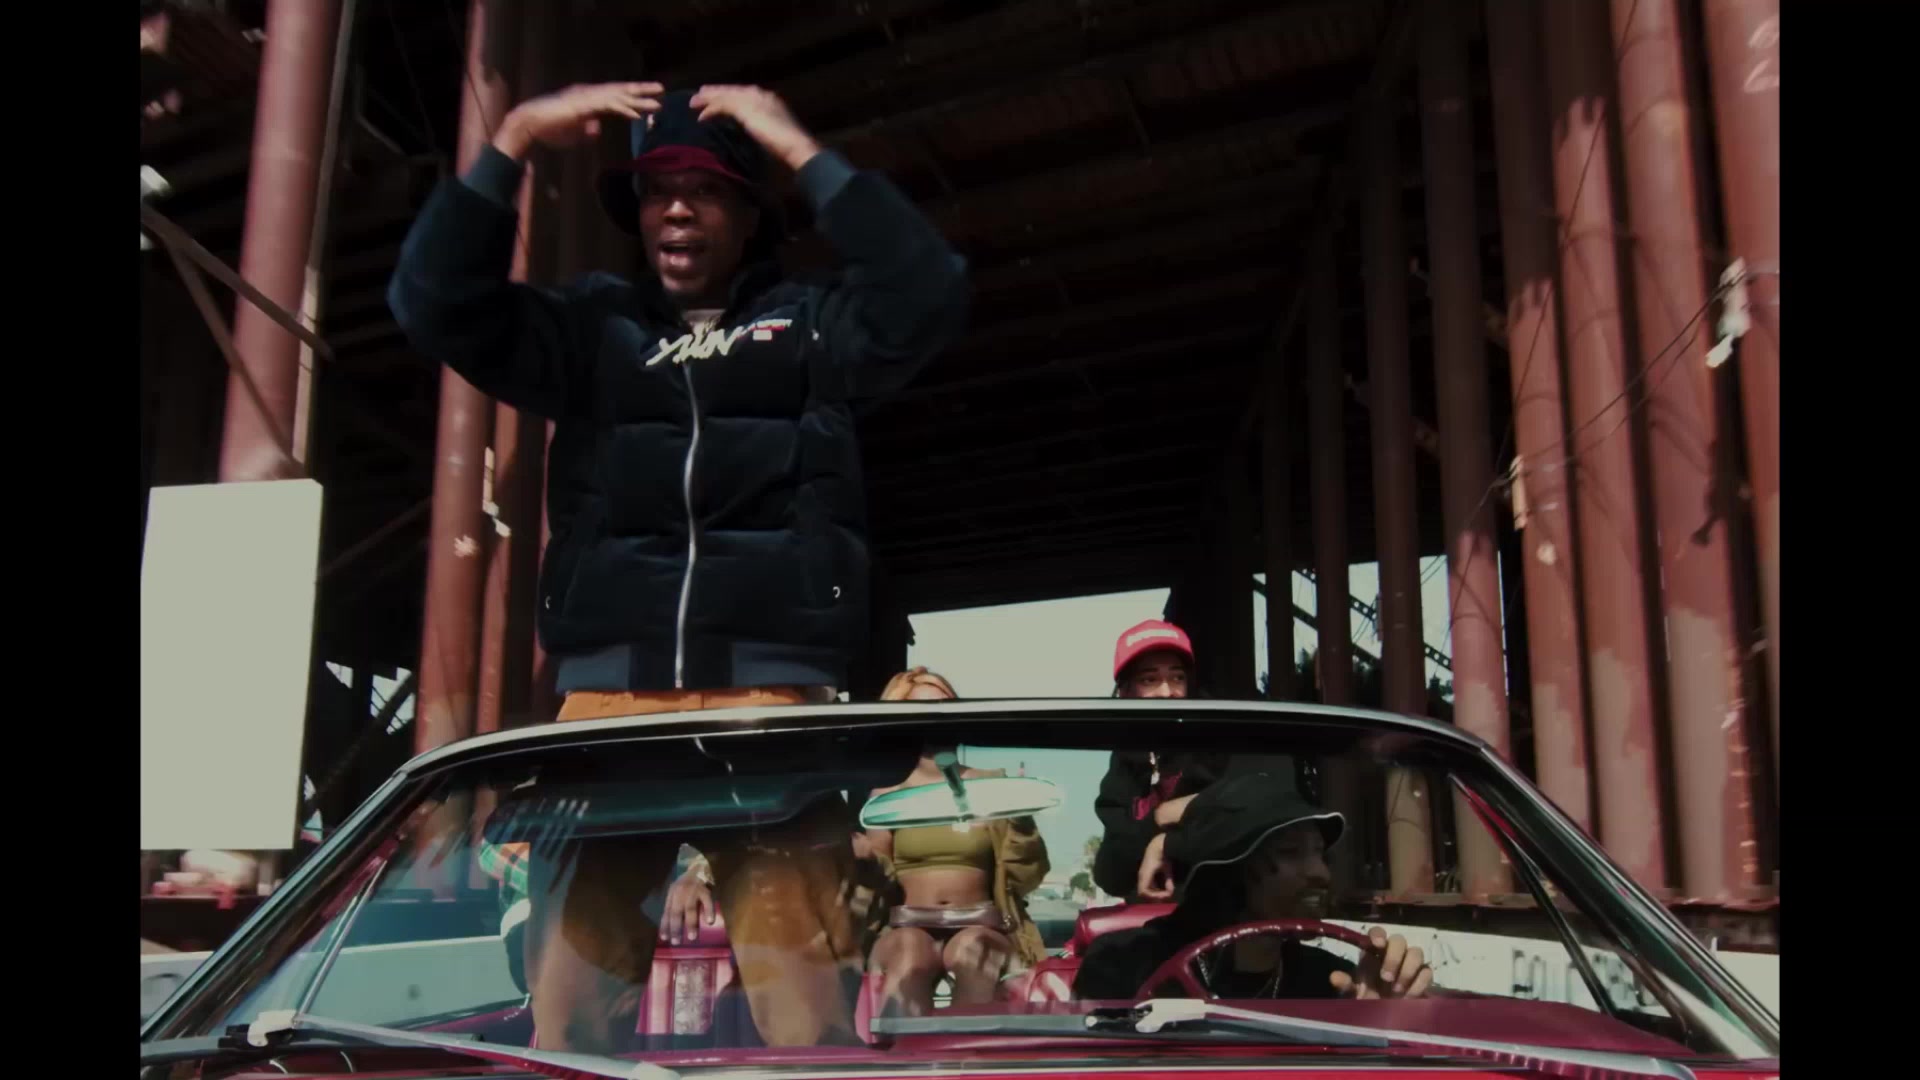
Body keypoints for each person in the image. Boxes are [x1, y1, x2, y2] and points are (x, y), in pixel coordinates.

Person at [392, 81, 968, 1052]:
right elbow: (431, 301)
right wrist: (515, 138)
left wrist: (793, 141)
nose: (677, 210)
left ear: (749, 213)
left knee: (807, 1027)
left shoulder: (813, 325)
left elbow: (930, 292)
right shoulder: (588, 327)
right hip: (605, 714)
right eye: (657, 191)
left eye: (704, 190)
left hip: (770, 708)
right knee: (567, 1021)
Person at [1075, 774, 1434, 1001]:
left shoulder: (1333, 981)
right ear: (1227, 870)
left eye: (1320, 853)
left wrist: (1380, 1021)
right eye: (1290, 852)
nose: (1321, 873)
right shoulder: (1123, 965)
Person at [860, 669, 1049, 1016]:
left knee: (977, 952)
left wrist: (1020, 820)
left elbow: (1026, 877)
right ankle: (903, 1049)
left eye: (945, 706)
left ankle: (968, 1049)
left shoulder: (993, 786)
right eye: (921, 711)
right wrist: (861, 857)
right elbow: (877, 882)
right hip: (908, 925)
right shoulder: (887, 796)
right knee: (909, 953)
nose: (936, 719)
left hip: (981, 924)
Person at [1093, 619, 1298, 902]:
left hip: (1234, 912)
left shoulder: (1224, 735)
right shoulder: (1124, 761)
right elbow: (1111, 873)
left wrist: (1166, 841)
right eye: (1150, 680)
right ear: (1126, 691)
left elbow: (1267, 801)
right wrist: (1161, 817)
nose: (1167, 692)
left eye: (1177, 678)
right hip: (1154, 920)